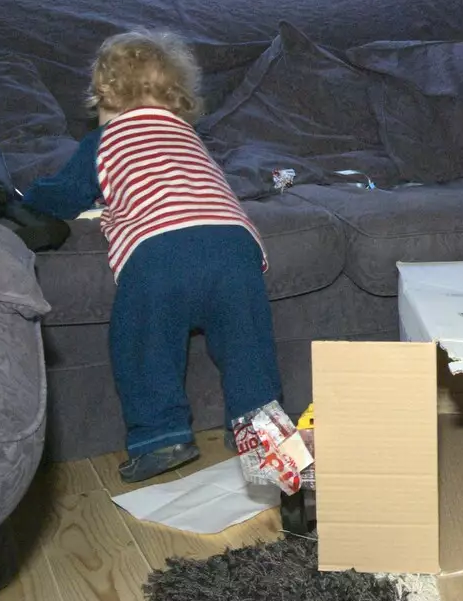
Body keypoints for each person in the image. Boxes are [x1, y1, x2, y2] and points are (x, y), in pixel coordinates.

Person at [24, 30, 288, 483]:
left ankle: (162, 437)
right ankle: (261, 433)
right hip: (234, 246)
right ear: (177, 97)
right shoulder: (189, 138)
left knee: (144, 343)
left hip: (160, 252)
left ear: (104, 93)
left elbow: (63, 196)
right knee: (248, 345)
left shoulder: (103, 142)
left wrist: (29, 198)